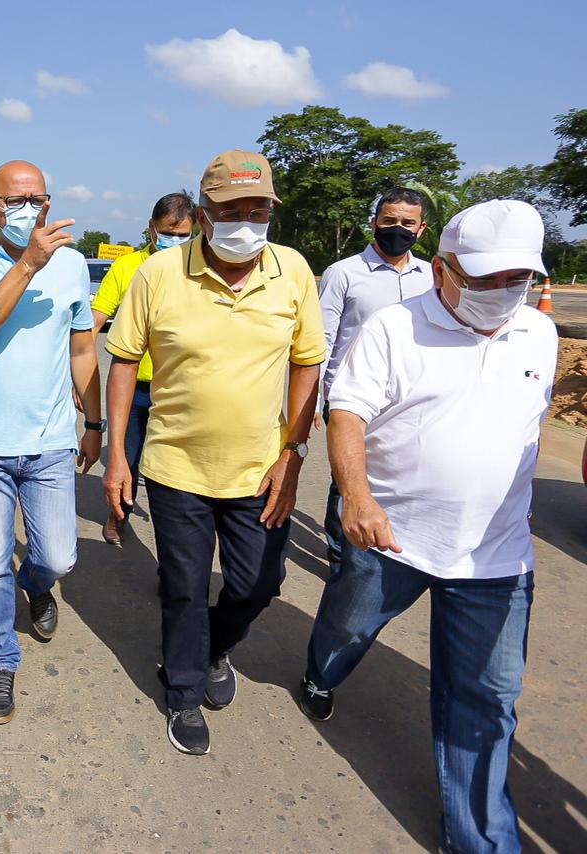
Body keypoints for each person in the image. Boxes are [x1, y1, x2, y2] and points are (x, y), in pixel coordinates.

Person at [298, 200, 554, 853]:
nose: (501, 293)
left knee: (486, 705)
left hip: (496, 562)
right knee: (347, 629)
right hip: (390, 540)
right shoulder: (391, 328)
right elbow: (347, 413)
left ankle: (481, 842)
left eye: (515, 279)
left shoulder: (540, 335)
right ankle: (321, 672)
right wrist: (356, 498)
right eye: (484, 278)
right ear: (442, 268)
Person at [103, 150, 324, 755]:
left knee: (258, 584)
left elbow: (308, 362)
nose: (247, 221)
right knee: (183, 585)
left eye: (259, 209)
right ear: (204, 215)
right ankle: (181, 689)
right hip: (176, 465)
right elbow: (123, 361)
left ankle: (212, 648)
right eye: (232, 209)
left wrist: (294, 452)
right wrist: (118, 457)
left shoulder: (294, 271)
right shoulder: (159, 273)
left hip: (261, 469)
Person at [0, 160, 102, 726]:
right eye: (14, 200)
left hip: (52, 440)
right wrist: (28, 266)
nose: (27, 209)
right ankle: (1, 664)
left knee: (59, 555)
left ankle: (37, 585)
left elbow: (83, 348)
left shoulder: (72, 268)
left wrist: (96, 422)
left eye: (37, 198)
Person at [316, 187, 432, 569]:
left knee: (402, 472)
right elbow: (324, 338)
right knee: (347, 477)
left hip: (410, 399)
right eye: (389, 221)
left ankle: (395, 542)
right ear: (374, 224)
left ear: (421, 229)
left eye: (407, 223)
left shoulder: (432, 276)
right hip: (351, 399)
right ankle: (342, 551)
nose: (397, 229)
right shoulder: (344, 273)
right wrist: (317, 399)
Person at [90, 192, 195, 546]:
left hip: (182, 389)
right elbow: (95, 319)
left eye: (184, 235)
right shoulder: (126, 267)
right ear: (152, 228)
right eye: (169, 232)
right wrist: (74, 367)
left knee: (177, 471)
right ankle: (119, 517)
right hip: (134, 388)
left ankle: (176, 543)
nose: (176, 241)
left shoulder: (200, 267)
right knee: (127, 458)